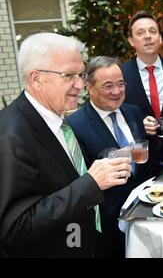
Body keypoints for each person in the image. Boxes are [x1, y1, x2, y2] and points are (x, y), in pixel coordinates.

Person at [0, 33, 132, 257]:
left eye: (79, 74)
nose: (80, 85)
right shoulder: (12, 135)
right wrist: (91, 182)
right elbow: (16, 227)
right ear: (36, 79)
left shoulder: (56, 120)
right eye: (69, 75)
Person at [66, 56, 151, 257]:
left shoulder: (133, 112)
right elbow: (79, 180)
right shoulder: (74, 126)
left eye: (121, 84)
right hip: (107, 225)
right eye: (108, 86)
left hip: (144, 214)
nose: (117, 91)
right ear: (90, 87)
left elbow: (143, 161)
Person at [122, 10, 163, 169]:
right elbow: (116, 113)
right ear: (131, 41)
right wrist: (137, 124)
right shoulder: (121, 75)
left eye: (152, 31)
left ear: (160, 38)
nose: (148, 36)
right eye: (140, 33)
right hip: (142, 160)